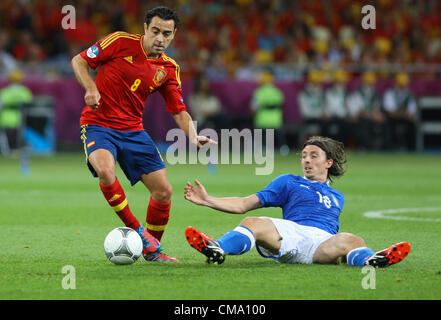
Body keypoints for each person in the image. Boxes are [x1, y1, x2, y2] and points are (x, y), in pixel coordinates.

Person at [71, 6, 215, 263]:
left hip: (133, 131)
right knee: (105, 171)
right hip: (98, 124)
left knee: (164, 191)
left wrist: (193, 136)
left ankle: (153, 250)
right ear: (146, 28)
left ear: (174, 35)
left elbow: (178, 109)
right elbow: (79, 60)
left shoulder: (169, 68)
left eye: (167, 34)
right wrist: (91, 87)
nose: (160, 39)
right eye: (156, 31)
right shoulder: (120, 42)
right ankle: (137, 230)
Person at [184, 136, 411, 268]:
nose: (306, 160)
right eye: (304, 156)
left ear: (328, 162)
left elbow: (333, 236)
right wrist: (208, 200)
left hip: (320, 244)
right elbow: (244, 203)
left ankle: (371, 261)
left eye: (314, 156)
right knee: (253, 221)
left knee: (351, 240)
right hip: (289, 234)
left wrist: (338, 256)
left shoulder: (337, 197)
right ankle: (218, 248)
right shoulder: (288, 182)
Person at [346, 71, 385, 150]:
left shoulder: (374, 94)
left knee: (385, 121)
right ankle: (365, 145)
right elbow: (360, 111)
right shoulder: (358, 93)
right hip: (361, 117)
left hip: (371, 116)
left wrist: (378, 114)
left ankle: (383, 145)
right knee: (365, 122)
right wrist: (372, 115)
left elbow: (376, 107)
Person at [382, 72, 417, 151]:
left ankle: (411, 148)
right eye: (401, 84)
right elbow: (390, 112)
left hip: (404, 118)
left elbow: (412, 112)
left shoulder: (409, 94)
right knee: (389, 123)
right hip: (392, 119)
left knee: (412, 124)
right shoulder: (390, 93)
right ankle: (389, 147)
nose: (403, 85)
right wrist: (404, 114)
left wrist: (404, 114)